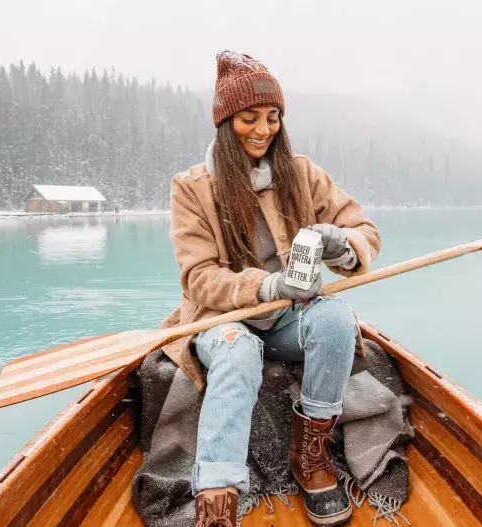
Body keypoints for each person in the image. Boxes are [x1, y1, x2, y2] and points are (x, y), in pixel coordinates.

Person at [160, 51, 381, 527]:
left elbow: (364, 230)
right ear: (225, 122)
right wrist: (267, 285)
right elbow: (198, 277)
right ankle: (216, 502)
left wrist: (343, 246)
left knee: (337, 319)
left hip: (287, 319)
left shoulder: (301, 172)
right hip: (222, 320)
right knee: (238, 352)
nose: (263, 129)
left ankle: (310, 454)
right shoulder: (191, 187)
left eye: (272, 117)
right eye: (248, 118)